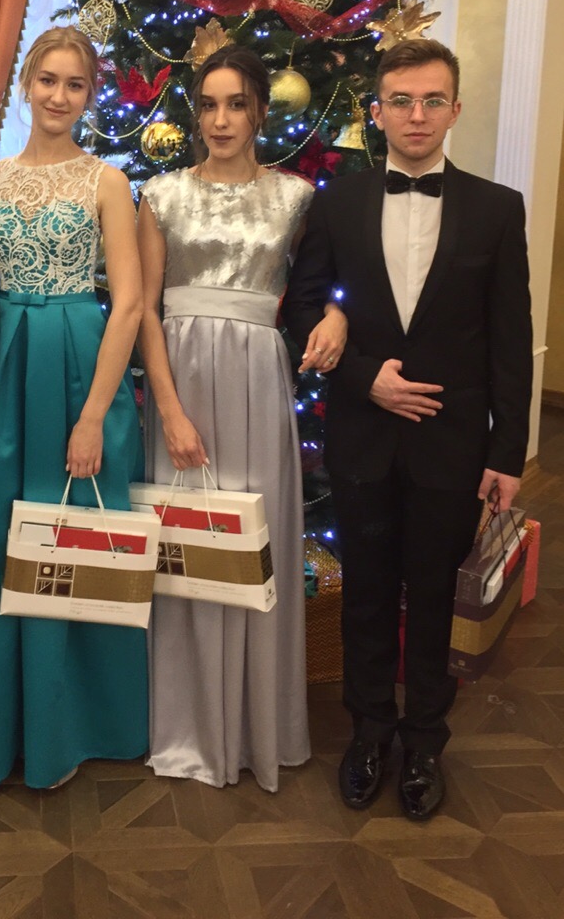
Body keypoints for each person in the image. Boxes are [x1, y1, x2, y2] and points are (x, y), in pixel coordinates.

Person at [283, 37, 532, 821]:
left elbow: (509, 340)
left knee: (431, 594)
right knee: (364, 594)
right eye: (400, 101)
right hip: (362, 436)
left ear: (453, 109)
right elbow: (302, 306)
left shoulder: (497, 208)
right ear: (376, 111)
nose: (415, 115)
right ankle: (368, 733)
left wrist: (506, 453)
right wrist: (364, 377)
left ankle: (424, 739)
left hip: (450, 446)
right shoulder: (335, 202)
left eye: (430, 101)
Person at [0, 25, 147, 790]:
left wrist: (92, 416)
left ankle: (75, 728)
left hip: (77, 366)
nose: (59, 96)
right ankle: (3, 726)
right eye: (48, 80)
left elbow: (129, 304)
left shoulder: (107, 181)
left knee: (75, 538)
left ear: (90, 96)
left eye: (75, 84)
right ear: (26, 84)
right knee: (5, 539)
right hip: (8, 366)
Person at [137, 45, 347, 791]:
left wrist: (337, 316)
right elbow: (144, 310)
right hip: (182, 384)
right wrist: (169, 411)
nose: (220, 119)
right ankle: (190, 727)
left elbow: (329, 284)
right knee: (186, 544)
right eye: (207, 104)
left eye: (235, 104)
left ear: (259, 110)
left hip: (258, 384)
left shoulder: (296, 198)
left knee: (254, 545)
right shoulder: (161, 194)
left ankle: (259, 728)